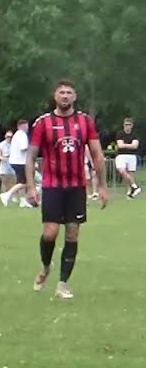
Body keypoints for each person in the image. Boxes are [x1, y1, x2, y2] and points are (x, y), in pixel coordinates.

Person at [25, 79, 108, 300]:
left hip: (76, 187)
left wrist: (102, 185)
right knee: (50, 233)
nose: (65, 96)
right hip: (52, 186)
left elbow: (98, 154)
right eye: (61, 92)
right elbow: (31, 156)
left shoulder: (85, 121)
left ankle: (63, 284)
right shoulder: (43, 123)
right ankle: (45, 267)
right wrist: (31, 187)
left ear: (75, 96)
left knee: (72, 233)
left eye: (69, 92)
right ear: (55, 96)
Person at [113, 117, 142, 199]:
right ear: (123, 125)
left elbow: (135, 146)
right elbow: (120, 145)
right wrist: (130, 145)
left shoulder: (135, 134)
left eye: (129, 125)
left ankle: (130, 192)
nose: (127, 126)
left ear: (132, 125)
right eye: (126, 125)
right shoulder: (120, 133)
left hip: (132, 156)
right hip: (121, 155)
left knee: (131, 174)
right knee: (122, 170)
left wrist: (125, 145)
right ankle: (135, 186)